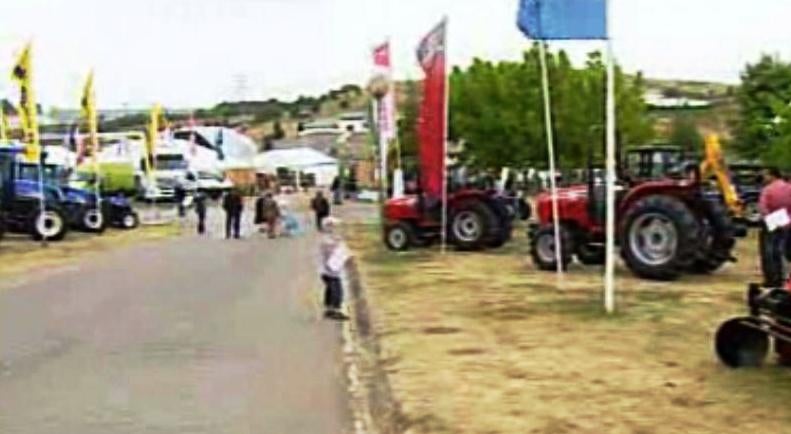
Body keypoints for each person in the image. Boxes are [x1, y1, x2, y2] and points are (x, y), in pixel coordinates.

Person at [758, 167, 791, 287]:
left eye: (765, 175)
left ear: (773, 175)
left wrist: (770, 219)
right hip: (786, 221)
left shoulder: (767, 189)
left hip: (771, 220)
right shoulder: (789, 187)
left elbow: (763, 207)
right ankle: (782, 277)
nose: (763, 178)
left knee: (768, 251)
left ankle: (771, 279)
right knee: (780, 250)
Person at [318, 217, 351, 320]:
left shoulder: (328, 238)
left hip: (327, 270)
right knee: (337, 290)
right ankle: (336, 309)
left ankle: (329, 308)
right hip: (330, 270)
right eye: (333, 226)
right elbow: (333, 251)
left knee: (329, 290)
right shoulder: (327, 240)